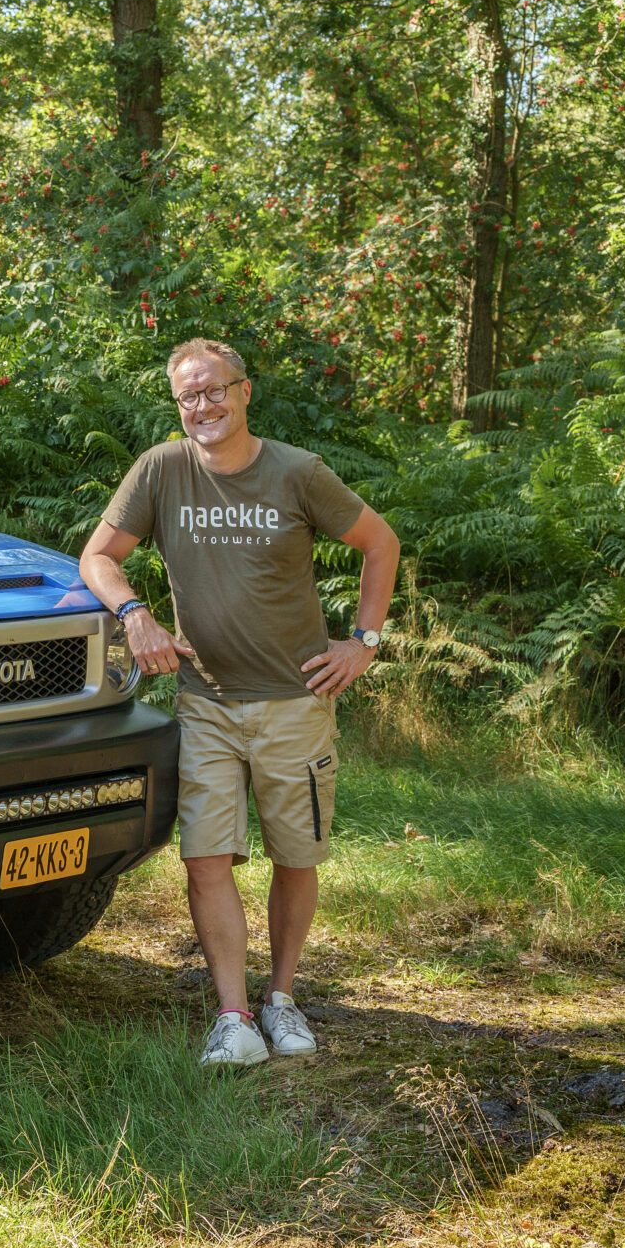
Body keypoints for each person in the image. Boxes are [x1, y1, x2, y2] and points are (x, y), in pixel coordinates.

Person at [79, 338, 400, 1067]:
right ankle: (233, 1015)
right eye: (188, 395)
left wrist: (363, 641)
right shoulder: (161, 470)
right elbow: (98, 556)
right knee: (204, 858)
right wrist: (136, 614)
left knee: (295, 855)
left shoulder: (296, 472)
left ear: (244, 391)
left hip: (296, 700)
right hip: (207, 704)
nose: (203, 405)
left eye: (214, 390)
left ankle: (281, 999)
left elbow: (381, 543)